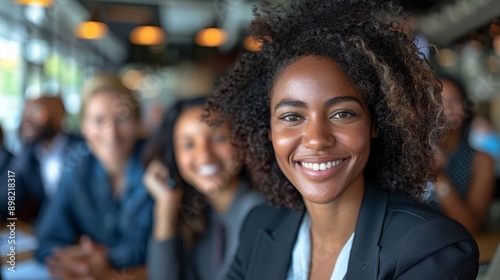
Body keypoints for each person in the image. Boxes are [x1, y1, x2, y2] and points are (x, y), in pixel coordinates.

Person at [204, 0, 479, 279]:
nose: (316, 140)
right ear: (269, 131)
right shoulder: (260, 226)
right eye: (291, 117)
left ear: (376, 124)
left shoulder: (430, 248)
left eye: (342, 114)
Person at [35, 73, 153, 280]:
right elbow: (47, 239)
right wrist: (75, 260)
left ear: (137, 123)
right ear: (84, 127)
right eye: (99, 120)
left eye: (122, 118)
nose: (111, 133)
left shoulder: (156, 169)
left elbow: (162, 257)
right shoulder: (76, 167)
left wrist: (102, 261)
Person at [143, 96, 264, 280]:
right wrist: (165, 207)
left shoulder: (258, 212)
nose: (204, 155)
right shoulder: (199, 215)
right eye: (189, 144)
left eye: (218, 138)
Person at [3, 96, 83, 224]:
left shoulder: (81, 150)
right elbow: (8, 192)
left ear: (58, 117)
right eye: (25, 112)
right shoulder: (27, 154)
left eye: (36, 112)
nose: (26, 119)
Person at [431, 76, 495, 234]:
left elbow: (469, 227)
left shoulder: (481, 160)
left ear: (465, 109)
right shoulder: (408, 154)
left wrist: (438, 177)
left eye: (453, 101)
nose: (445, 108)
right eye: (437, 101)